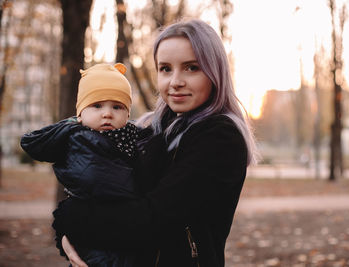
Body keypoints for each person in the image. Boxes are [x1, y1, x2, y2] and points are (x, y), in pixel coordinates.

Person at [57, 18, 258, 267]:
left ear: (215, 72)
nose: (175, 81)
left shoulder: (220, 136)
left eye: (191, 67)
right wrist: (68, 233)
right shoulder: (151, 129)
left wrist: (69, 219)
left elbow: (151, 219)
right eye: (165, 68)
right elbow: (105, 187)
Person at [20, 63, 164, 266]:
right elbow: (101, 180)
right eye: (97, 106)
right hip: (96, 246)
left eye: (117, 107)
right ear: (80, 114)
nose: (107, 113)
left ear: (127, 114)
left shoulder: (131, 139)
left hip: (119, 238)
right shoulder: (80, 140)